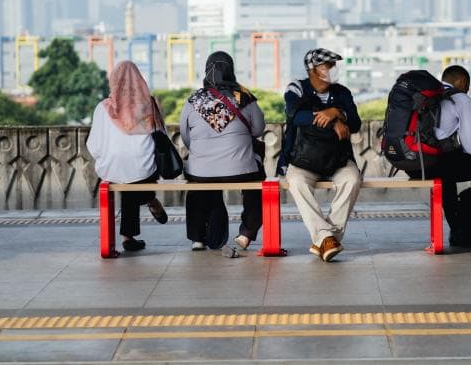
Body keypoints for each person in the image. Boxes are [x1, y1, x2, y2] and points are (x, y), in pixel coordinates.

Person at [408, 65, 471, 248]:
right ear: (463, 82)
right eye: (468, 86)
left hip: (412, 163)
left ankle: (458, 230)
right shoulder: (461, 99)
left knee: (447, 167)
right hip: (436, 163)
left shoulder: (423, 96)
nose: (467, 90)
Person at [277, 48, 362, 262]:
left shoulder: (342, 92)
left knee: (352, 179)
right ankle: (326, 238)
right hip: (303, 159)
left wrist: (336, 112)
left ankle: (325, 238)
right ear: (313, 70)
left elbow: (355, 123)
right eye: (328, 65)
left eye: (334, 65)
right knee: (296, 182)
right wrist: (333, 122)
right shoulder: (297, 88)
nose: (333, 69)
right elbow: (296, 116)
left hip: (338, 159)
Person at [180, 51, 266, 251]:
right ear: (231, 71)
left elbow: (186, 137)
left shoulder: (193, 101)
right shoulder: (245, 97)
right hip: (242, 170)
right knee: (257, 185)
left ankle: (198, 238)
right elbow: (258, 130)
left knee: (197, 187)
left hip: (201, 172)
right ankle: (246, 232)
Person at [86, 60, 168, 252]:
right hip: (145, 170)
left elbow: (93, 146)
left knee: (126, 175)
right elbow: (162, 136)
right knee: (136, 173)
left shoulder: (102, 108)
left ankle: (128, 237)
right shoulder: (149, 104)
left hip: (111, 169)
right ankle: (150, 199)